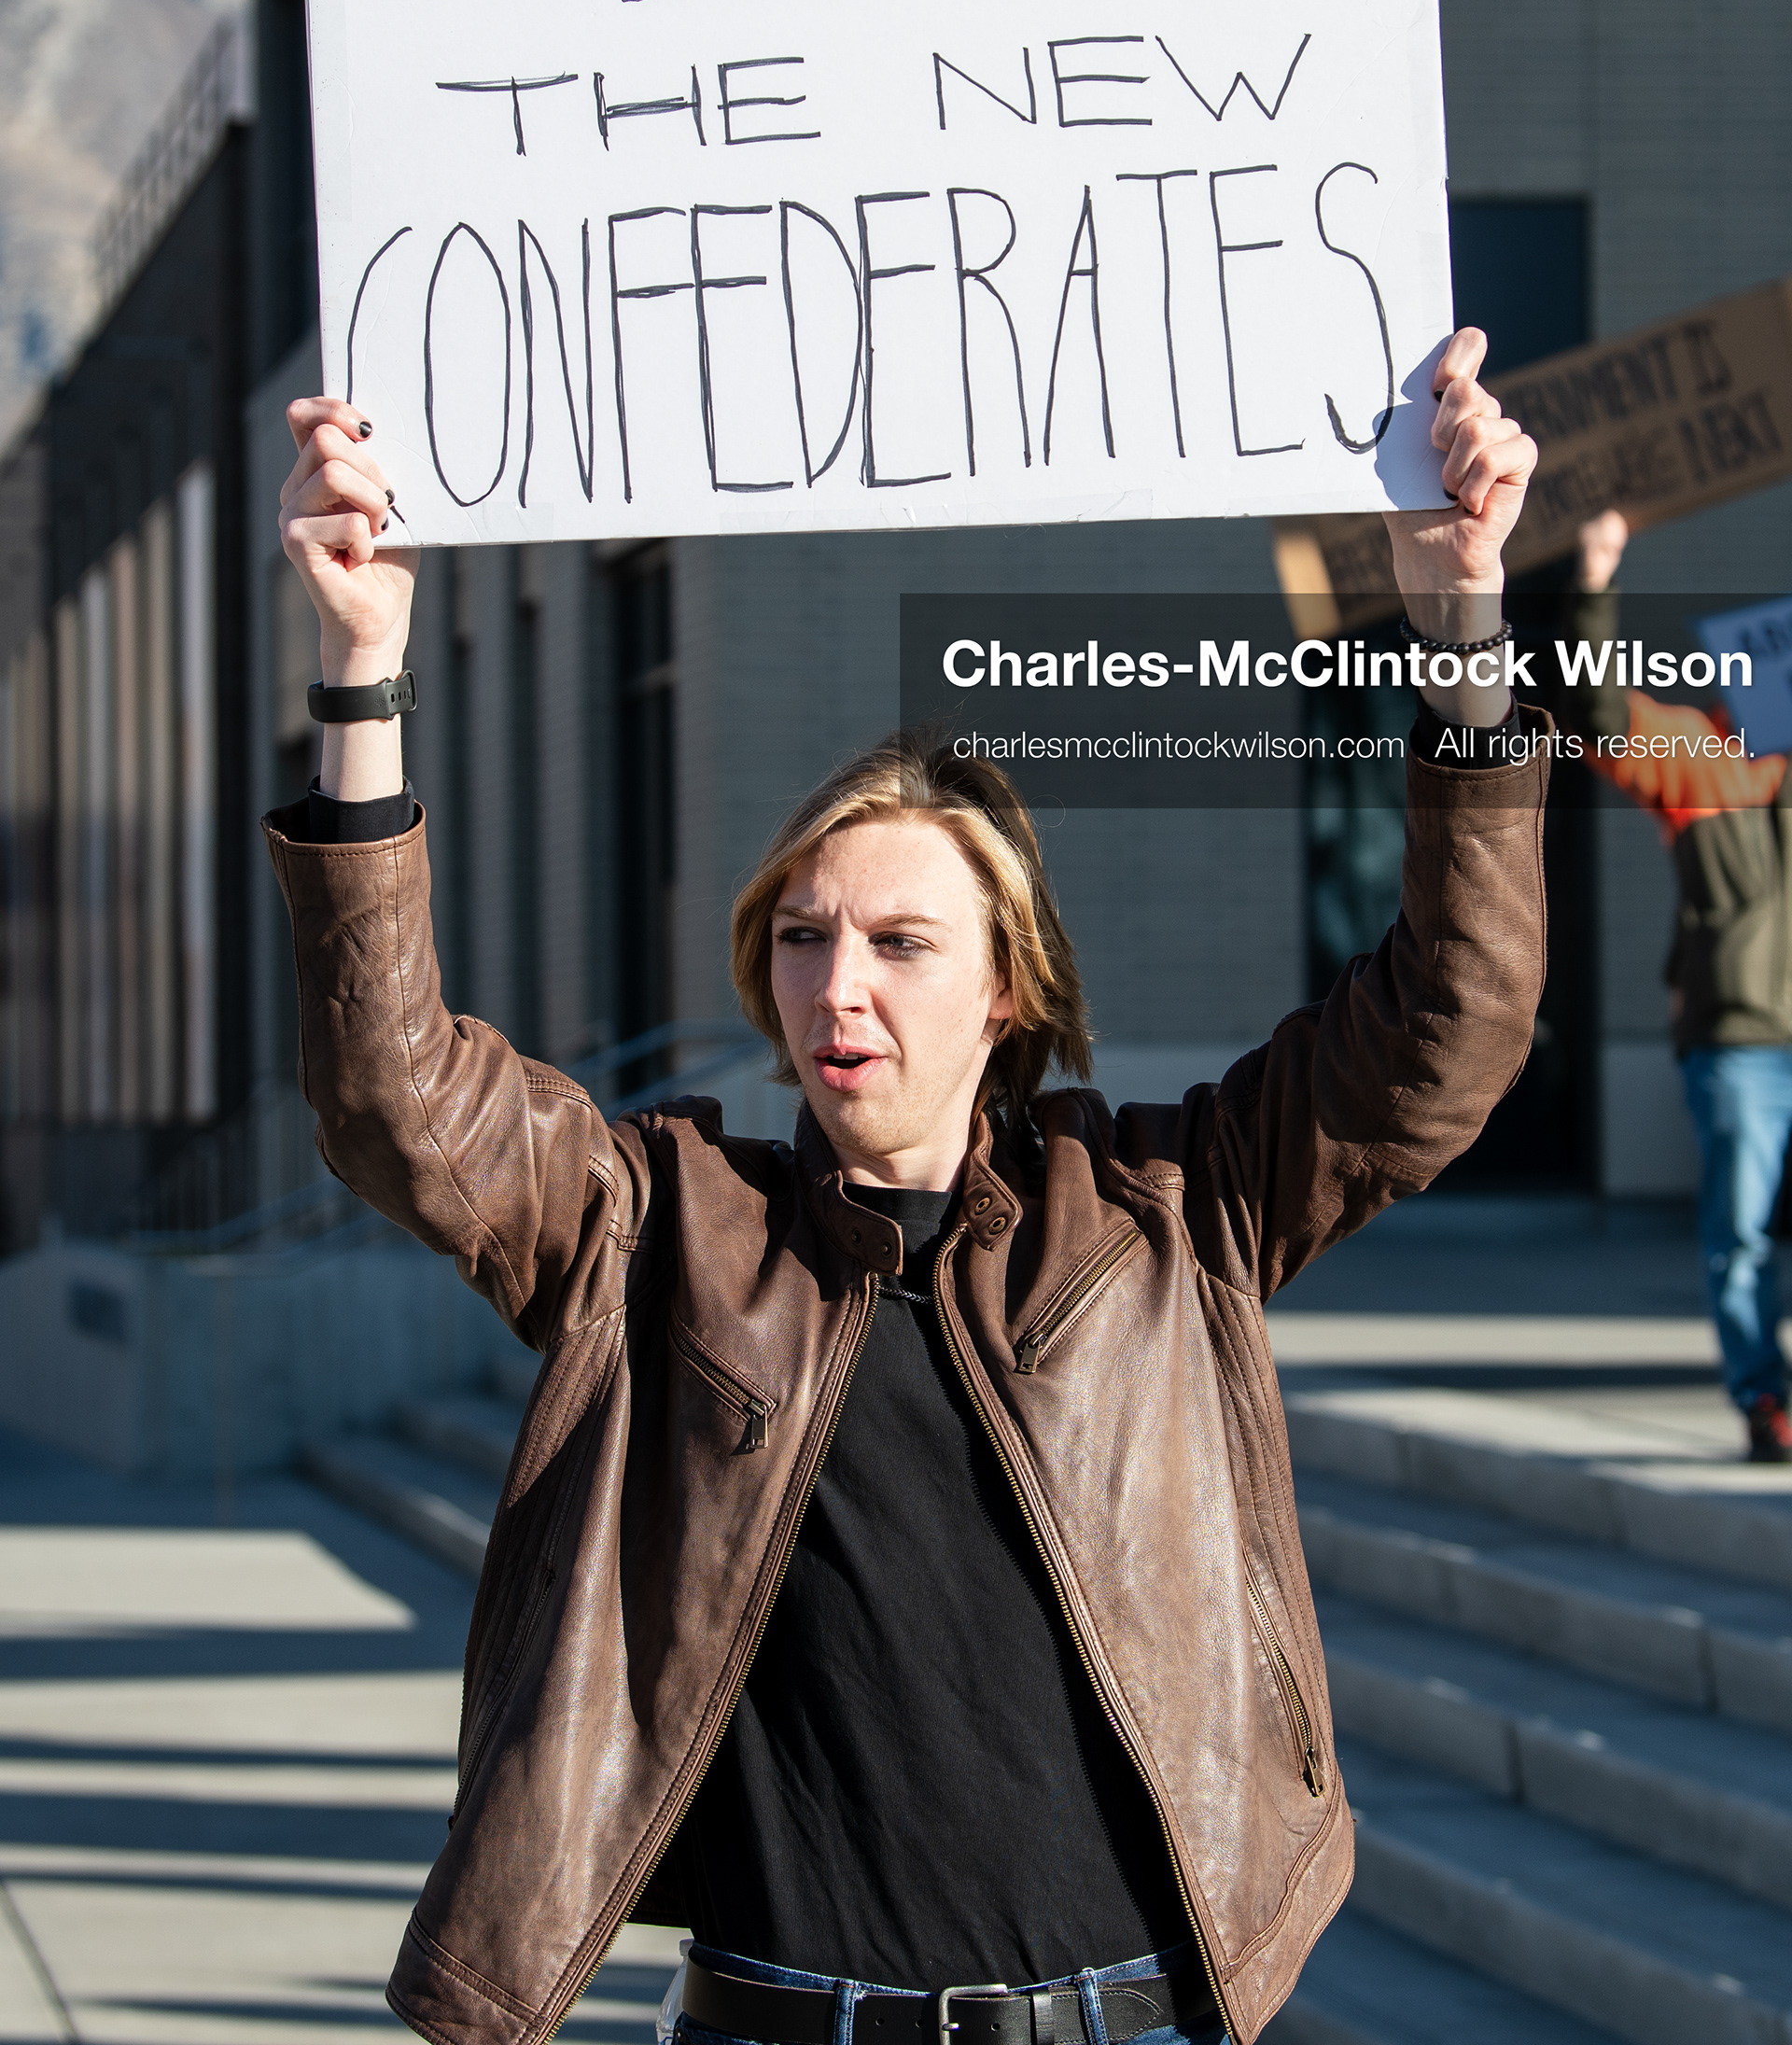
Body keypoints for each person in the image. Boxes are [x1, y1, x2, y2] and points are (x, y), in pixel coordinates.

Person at [268, 328, 1545, 2045]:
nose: (835, 987)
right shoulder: (660, 1231)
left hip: (1126, 2021)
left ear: (1004, 982)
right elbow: (391, 1095)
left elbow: (1451, 1022)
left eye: (896, 942)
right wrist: (362, 676)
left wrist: (1461, 630)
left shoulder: (1175, 1203)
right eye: (801, 940)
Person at [1568, 511, 1792, 1464]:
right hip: (1741, 1039)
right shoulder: (1709, 758)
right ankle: (1764, 1401)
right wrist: (1595, 578)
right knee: (1741, 1235)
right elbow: (1598, 717)